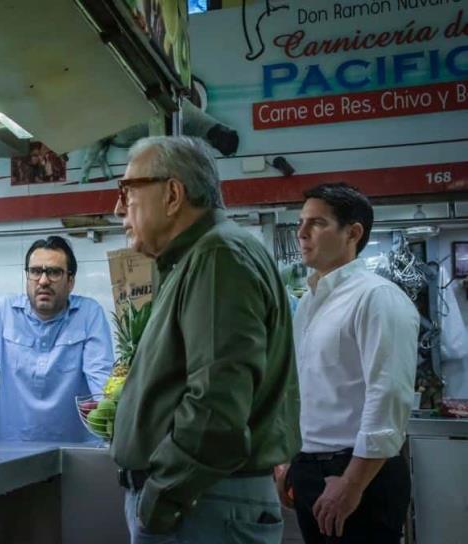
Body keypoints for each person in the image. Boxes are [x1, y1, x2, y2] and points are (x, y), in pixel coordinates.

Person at [111, 136, 300, 543]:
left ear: (173, 194)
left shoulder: (218, 257)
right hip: (202, 502)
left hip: (203, 505)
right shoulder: (200, 256)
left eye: (127, 192)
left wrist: (160, 498)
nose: (118, 208)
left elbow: (216, 404)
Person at [280, 183, 418, 543]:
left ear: (352, 233)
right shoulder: (310, 303)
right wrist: (289, 464)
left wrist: (352, 482)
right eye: (300, 223)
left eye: (317, 223)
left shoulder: (376, 297)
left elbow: (387, 394)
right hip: (310, 466)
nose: (302, 232)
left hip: (358, 473)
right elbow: (302, 389)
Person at [0, 236, 114, 442]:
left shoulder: (89, 313)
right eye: (35, 271)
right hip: (14, 453)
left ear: (70, 281)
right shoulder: (5, 311)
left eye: (54, 272)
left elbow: (101, 380)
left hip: (75, 454)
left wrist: (112, 424)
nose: (43, 281)